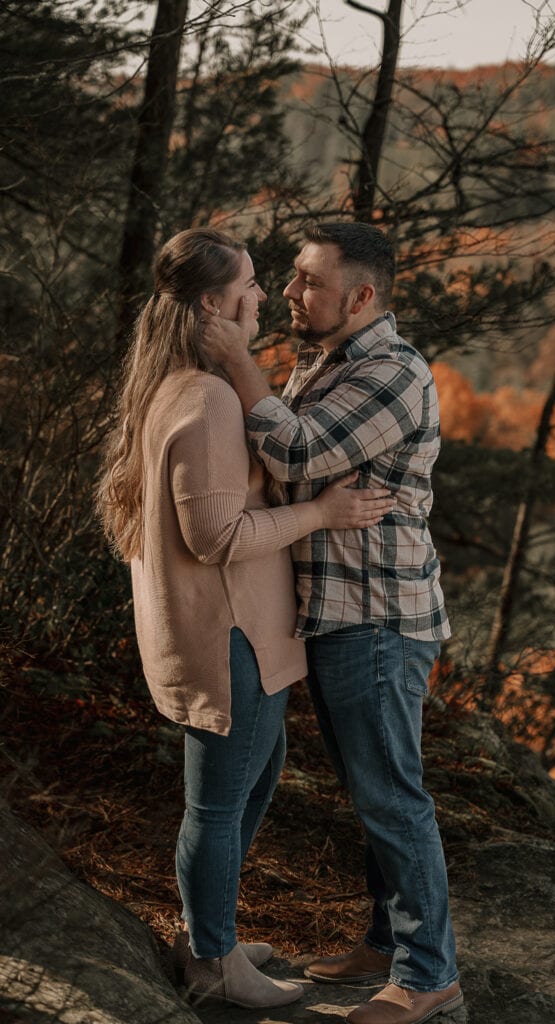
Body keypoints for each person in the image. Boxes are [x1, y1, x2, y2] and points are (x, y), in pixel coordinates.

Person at [96, 226, 393, 1010]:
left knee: (248, 784)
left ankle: (209, 932)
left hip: (238, 633)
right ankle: (215, 965)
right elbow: (218, 535)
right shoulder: (206, 400)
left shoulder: (185, 386)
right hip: (230, 638)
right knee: (219, 803)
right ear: (213, 304)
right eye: (252, 283)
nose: (265, 294)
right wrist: (325, 512)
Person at [202, 221, 464, 1024]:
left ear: (359, 296)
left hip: (379, 619)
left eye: (309, 281)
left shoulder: (391, 371)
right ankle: (386, 944)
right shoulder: (328, 359)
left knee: (391, 797)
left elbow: (299, 454)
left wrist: (238, 362)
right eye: (288, 276)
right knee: (371, 790)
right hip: (339, 615)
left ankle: (428, 979)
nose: (288, 290)